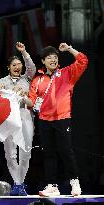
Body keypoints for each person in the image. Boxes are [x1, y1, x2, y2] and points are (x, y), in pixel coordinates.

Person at [27, 43, 88, 196]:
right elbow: (31, 101)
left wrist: (68, 49)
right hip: (44, 120)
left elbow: (83, 61)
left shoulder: (67, 73)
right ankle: (52, 185)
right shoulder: (37, 80)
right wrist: (19, 97)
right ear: (43, 61)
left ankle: (74, 182)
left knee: (66, 151)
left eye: (55, 57)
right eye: (49, 57)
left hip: (62, 118)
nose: (53, 60)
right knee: (48, 153)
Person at [0, 42, 36, 196]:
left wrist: (24, 52)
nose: (18, 66)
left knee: (26, 152)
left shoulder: (27, 78)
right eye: (14, 64)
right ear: (9, 67)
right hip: (9, 118)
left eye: (19, 64)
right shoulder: (3, 81)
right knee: (11, 154)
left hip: (25, 115)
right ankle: (18, 184)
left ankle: (20, 182)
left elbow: (31, 67)